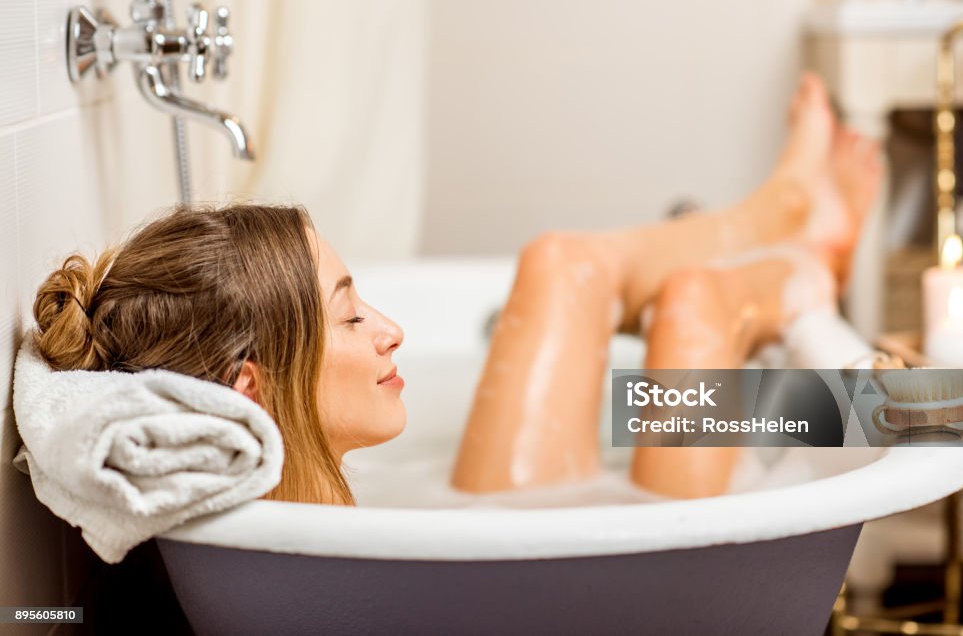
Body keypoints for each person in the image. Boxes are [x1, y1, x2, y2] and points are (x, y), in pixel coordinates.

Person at [29, 73, 880, 506]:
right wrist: (866, 391)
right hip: (638, 593)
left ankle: (789, 221)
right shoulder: (304, 550)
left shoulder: (293, 503)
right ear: (249, 388)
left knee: (559, 262)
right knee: (698, 307)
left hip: (512, 543)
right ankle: (805, 266)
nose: (392, 328)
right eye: (352, 315)